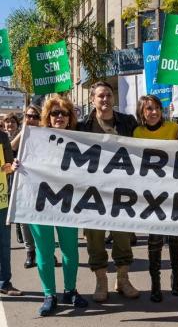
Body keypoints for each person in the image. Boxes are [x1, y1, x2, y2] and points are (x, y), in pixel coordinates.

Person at [16, 95, 88, 316]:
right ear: (47, 116)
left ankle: (70, 290)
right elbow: (21, 161)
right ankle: (49, 295)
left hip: (67, 205)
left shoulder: (80, 140)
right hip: (40, 205)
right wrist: (18, 164)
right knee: (45, 252)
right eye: (55, 113)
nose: (59, 117)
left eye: (63, 113)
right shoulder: (33, 138)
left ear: (70, 117)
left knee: (70, 251)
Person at [77, 81, 139, 302]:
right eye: (101, 96)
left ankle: (122, 280)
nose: (105, 99)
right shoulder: (83, 125)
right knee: (95, 238)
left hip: (122, 191)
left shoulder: (128, 122)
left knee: (123, 236)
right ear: (92, 100)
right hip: (91, 193)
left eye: (108, 95)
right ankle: (101, 281)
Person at [133, 94, 178, 303]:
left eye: (156, 108)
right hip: (151, 194)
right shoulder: (137, 132)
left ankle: (177, 278)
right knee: (154, 241)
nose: (153, 112)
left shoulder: (173, 128)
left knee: (175, 239)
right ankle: (155, 284)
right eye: (148, 109)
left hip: (173, 192)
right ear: (142, 113)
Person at [11, 105, 42, 269]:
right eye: (29, 116)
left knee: (42, 220)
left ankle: (45, 252)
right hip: (24, 183)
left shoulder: (46, 134)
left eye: (35, 117)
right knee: (25, 220)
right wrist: (24, 131)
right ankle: (30, 252)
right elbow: (10, 149)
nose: (32, 120)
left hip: (43, 185)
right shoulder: (20, 133)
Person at [0, 126, 22, 297]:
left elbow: (7, 167)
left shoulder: (2, 137)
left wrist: (12, 167)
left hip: (1, 200)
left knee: (4, 244)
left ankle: (4, 282)